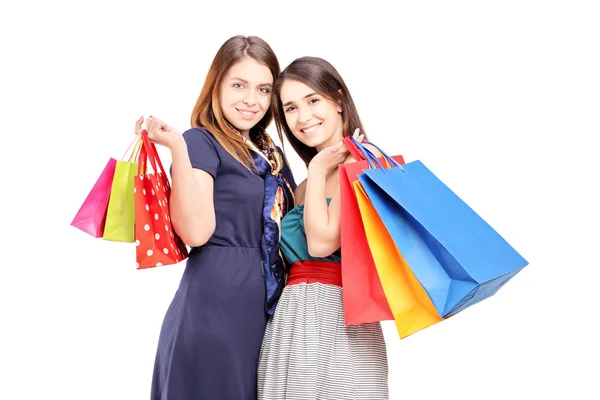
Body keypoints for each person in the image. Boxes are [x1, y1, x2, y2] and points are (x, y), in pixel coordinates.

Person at [136, 35, 296, 400]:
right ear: (217, 85)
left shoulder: (270, 152)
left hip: (267, 309)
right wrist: (177, 147)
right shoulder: (201, 142)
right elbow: (196, 230)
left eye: (263, 89)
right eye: (239, 85)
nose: (251, 100)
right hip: (217, 306)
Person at [258, 56, 389, 399]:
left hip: (339, 317)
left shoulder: (364, 163)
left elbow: (320, 244)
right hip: (290, 318)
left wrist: (317, 171)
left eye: (313, 100)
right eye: (290, 108)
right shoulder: (303, 185)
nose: (303, 117)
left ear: (339, 100)